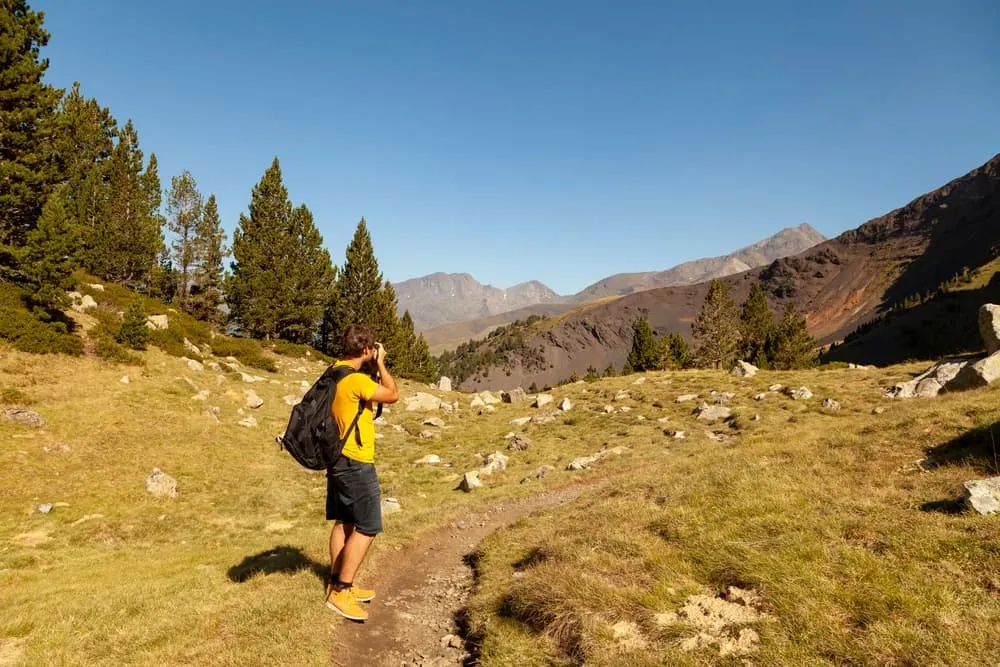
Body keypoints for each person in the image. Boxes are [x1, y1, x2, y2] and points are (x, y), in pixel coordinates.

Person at [325, 323, 399, 621]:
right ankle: (341, 592)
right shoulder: (357, 381)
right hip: (356, 461)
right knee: (368, 526)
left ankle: (337, 582)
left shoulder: (334, 371)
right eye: (372, 349)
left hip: (337, 458)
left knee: (344, 522)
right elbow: (392, 394)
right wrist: (380, 363)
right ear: (367, 350)